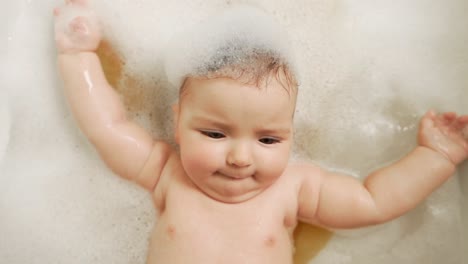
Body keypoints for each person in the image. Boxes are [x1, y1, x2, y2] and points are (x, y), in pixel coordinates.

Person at [54, 1, 468, 263]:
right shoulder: (166, 171)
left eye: (268, 140)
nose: (240, 157)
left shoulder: (295, 186)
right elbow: (107, 126)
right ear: (178, 122)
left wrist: (436, 156)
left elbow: (373, 200)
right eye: (215, 135)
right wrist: (78, 52)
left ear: (290, 133)